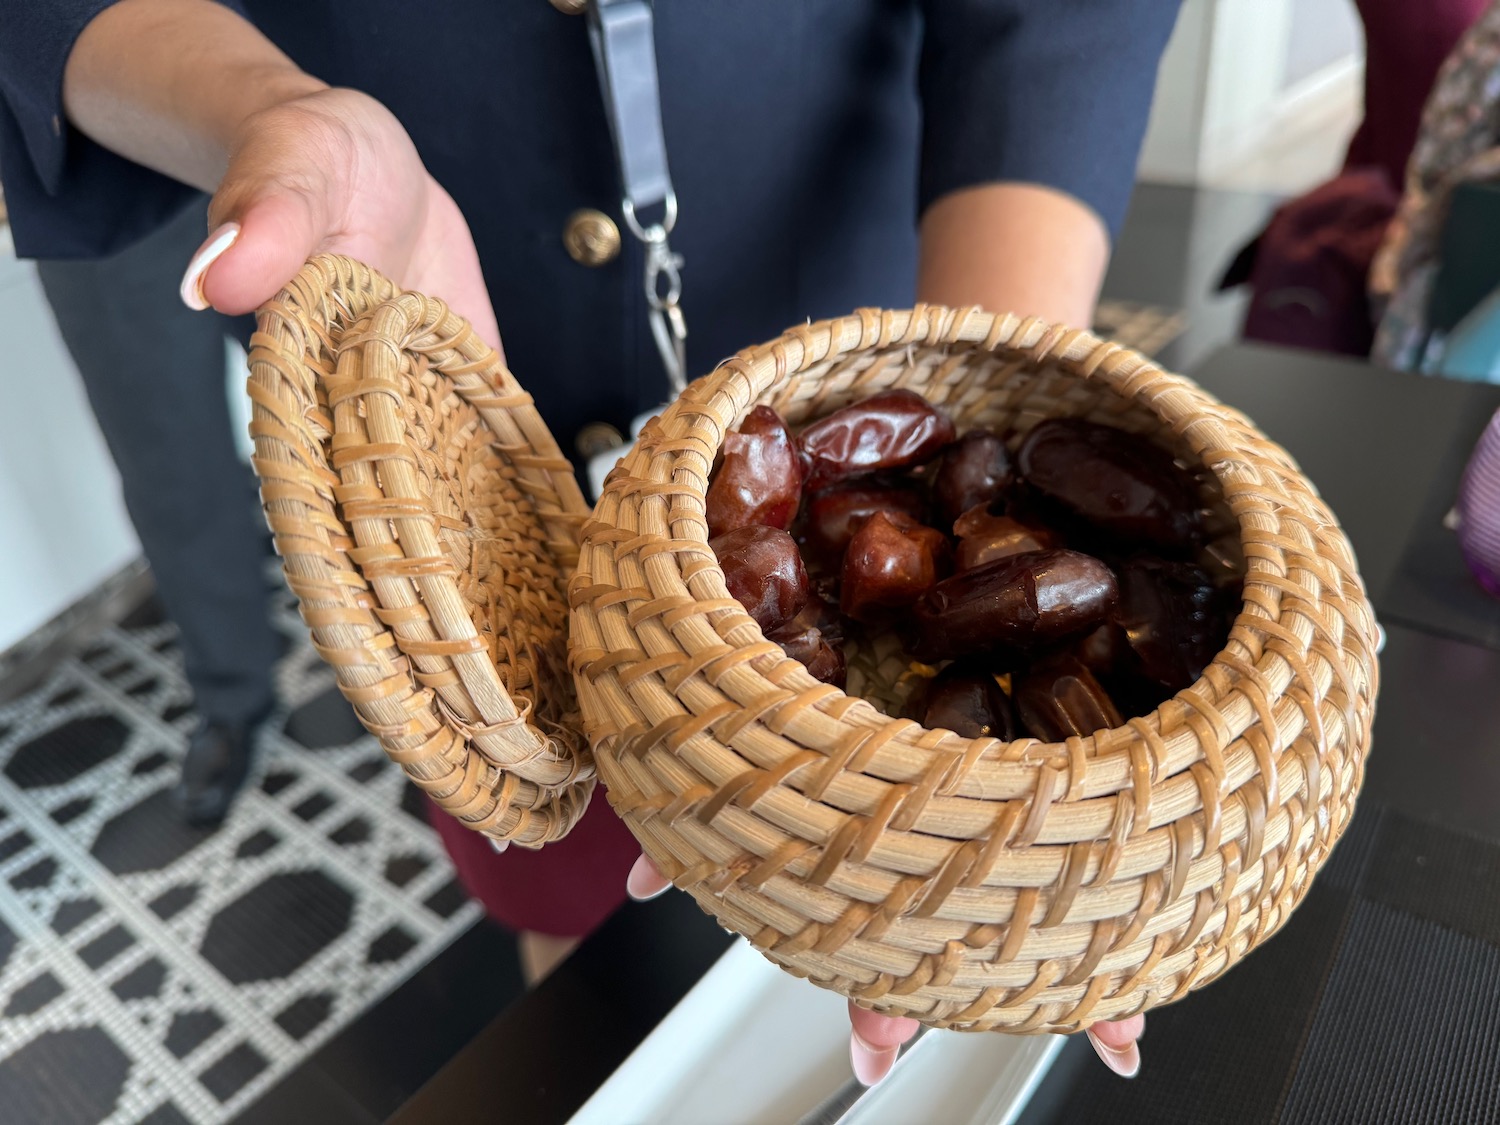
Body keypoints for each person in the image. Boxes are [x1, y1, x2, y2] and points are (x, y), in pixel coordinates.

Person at [0, 0, 1179, 1084]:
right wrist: (263, 107)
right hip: (465, 468)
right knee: (583, 970)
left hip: (855, 367)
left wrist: (978, 401)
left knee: (893, 961)